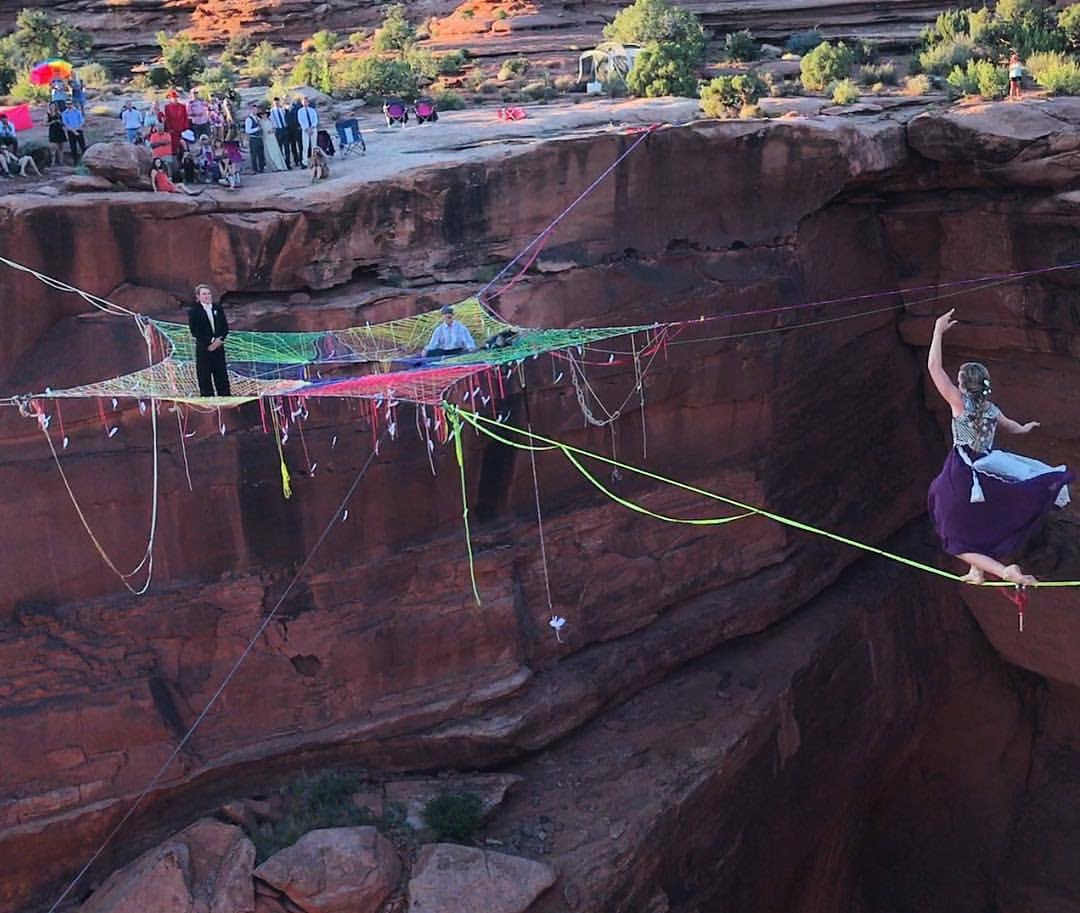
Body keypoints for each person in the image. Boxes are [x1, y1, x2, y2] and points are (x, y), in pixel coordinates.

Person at [926, 308, 1073, 586]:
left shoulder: (960, 405)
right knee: (976, 521)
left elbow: (934, 368)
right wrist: (1027, 428)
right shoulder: (991, 410)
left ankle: (1005, 571)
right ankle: (977, 571)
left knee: (953, 536)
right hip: (988, 468)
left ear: (963, 386)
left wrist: (937, 331)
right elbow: (1014, 428)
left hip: (963, 472)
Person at [188, 284, 231, 396]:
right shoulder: (194, 311)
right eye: (204, 294)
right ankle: (209, 402)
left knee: (221, 375)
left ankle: (225, 399)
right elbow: (195, 331)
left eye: (208, 293)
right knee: (204, 376)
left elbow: (224, 327)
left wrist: (219, 340)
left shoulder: (218, 308)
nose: (207, 296)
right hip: (204, 349)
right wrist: (211, 341)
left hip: (219, 348)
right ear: (198, 296)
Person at [163, 89, 189, 156]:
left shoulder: (182, 106)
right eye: (172, 98)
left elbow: (186, 117)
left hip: (182, 129)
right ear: (169, 98)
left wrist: (186, 128)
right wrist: (169, 129)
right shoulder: (167, 107)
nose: (174, 99)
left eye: (176, 97)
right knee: (174, 147)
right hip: (173, 131)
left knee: (184, 145)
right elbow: (167, 119)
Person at [269, 97, 292, 168]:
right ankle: (282, 164)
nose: (277, 103)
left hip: (285, 129)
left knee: (287, 148)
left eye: (278, 102)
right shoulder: (271, 111)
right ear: (273, 103)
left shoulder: (282, 110)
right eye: (275, 102)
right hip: (278, 130)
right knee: (280, 148)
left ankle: (288, 164)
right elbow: (271, 121)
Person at [244, 103, 266, 174]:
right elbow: (247, 130)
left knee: (261, 154)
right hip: (253, 139)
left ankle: (261, 168)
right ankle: (255, 169)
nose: (255, 111)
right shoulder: (248, 119)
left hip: (259, 138)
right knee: (254, 154)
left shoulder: (257, 118)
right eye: (254, 109)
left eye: (256, 109)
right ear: (251, 110)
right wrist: (257, 129)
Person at [298, 96, 318, 166]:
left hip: (313, 129)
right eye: (304, 102)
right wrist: (306, 129)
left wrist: (312, 127)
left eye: (306, 102)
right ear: (302, 103)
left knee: (314, 145)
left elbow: (315, 120)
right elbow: (301, 121)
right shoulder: (300, 111)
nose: (305, 103)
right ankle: (304, 162)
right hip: (305, 130)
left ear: (308, 102)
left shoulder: (312, 110)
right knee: (305, 146)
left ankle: (314, 160)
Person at [285, 97, 303, 169]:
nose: (287, 100)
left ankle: (302, 160)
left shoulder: (297, 107)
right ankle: (296, 161)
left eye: (288, 99)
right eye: (286, 99)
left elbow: (300, 117)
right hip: (289, 130)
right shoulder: (284, 109)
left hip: (297, 129)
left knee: (300, 145)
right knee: (293, 146)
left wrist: (300, 125)